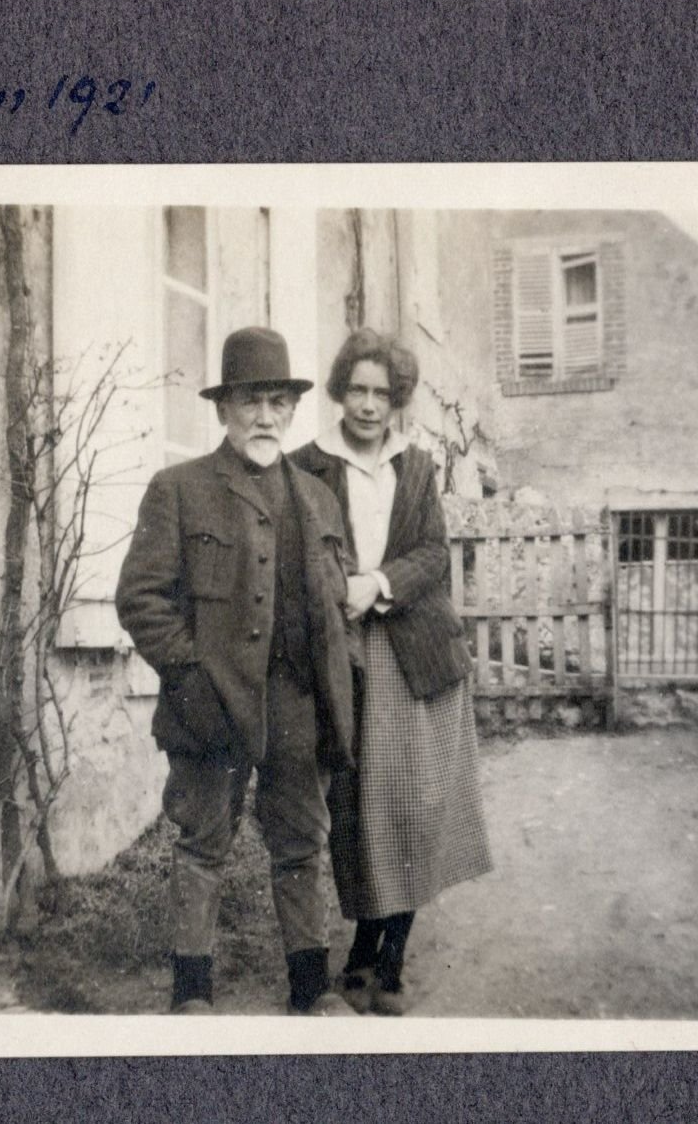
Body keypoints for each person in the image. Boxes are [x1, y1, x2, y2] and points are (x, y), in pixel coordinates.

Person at [115, 326, 360, 1016]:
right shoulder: (179, 489)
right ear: (223, 411)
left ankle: (312, 990)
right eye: (250, 402)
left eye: (278, 403)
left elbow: (334, 610)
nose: (264, 417)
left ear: (291, 412)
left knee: (298, 847)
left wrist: (337, 694)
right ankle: (193, 994)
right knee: (202, 845)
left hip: (295, 705)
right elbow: (140, 597)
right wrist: (189, 679)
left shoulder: (318, 499)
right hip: (211, 702)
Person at [290, 328, 494, 1016]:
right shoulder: (308, 466)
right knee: (358, 811)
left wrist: (374, 580)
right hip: (346, 656)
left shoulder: (417, 466)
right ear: (340, 392)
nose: (370, 405)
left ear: (398, 399)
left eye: (382, 393)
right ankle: (359, 948)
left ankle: (392, 959)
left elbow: (434, 552)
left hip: (418, 656)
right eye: (358, 390)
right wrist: (336, 589)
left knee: (413, 807)